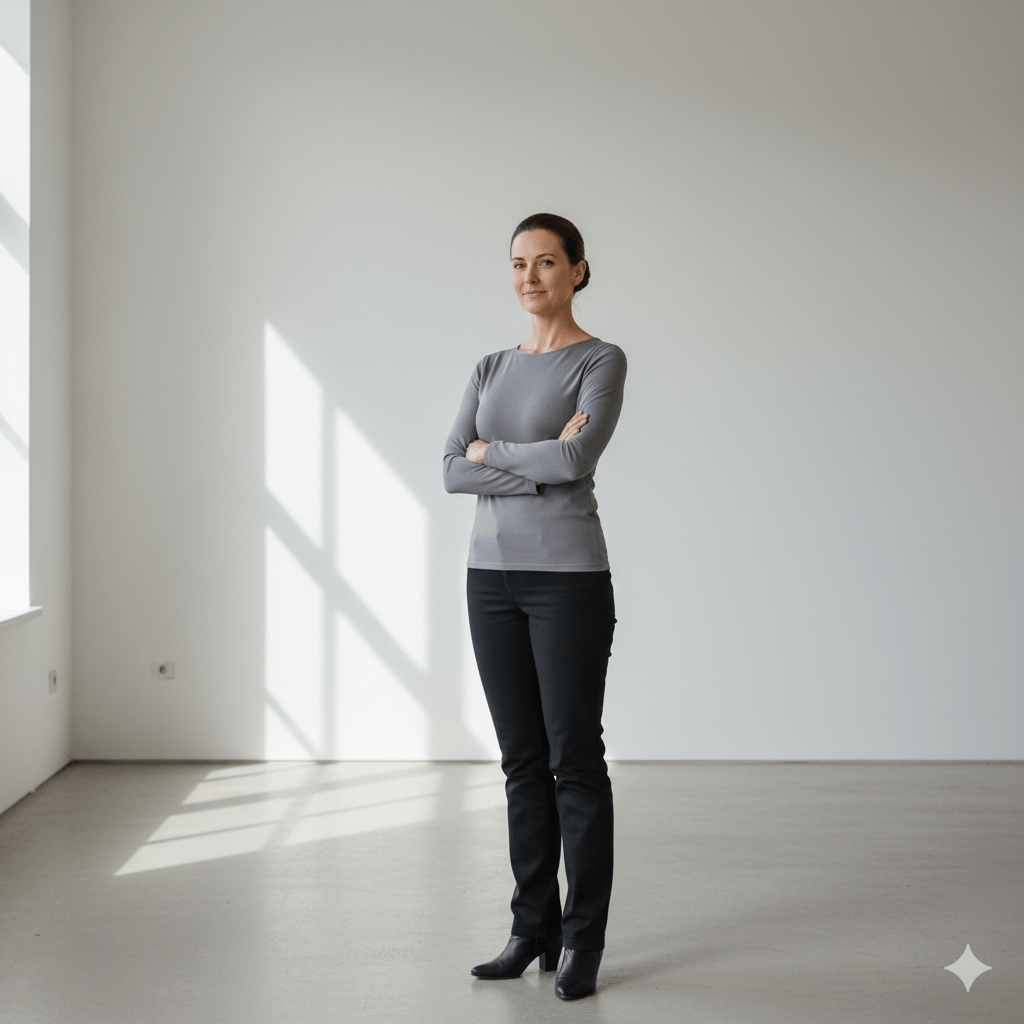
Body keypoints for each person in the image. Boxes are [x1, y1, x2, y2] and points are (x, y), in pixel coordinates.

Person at [442, 213, 627, 1001]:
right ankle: (531, 929)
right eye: (519, 263)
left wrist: (497, 456)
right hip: (492, 580)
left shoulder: (601, 360)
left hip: (568, 582)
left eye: (547, 263)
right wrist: (537, 465)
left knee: (573, 761)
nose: (530, 277)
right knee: (521, 764)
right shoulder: (489, 367)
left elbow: (580, 456)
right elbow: (452, 469)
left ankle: (582, 941)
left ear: (578, 271)